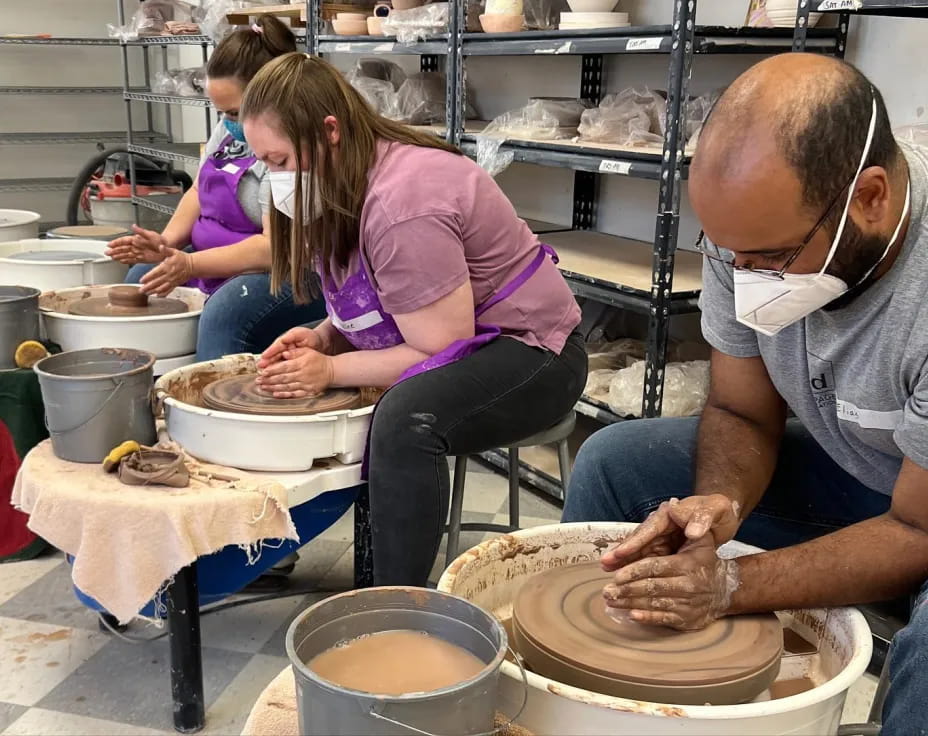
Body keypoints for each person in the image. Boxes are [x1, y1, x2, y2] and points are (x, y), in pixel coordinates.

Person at [562, 53, 927, 733]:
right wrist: (716, 506)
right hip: (861, 465)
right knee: (616, 464)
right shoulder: (752, 235)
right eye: (731, 256)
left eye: (773, 259)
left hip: (921, 510)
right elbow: (739, 410)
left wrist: (729, 585)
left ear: (872, 197)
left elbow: (916, 529)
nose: (746, 277)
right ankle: (596, 692)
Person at [239, 52, 587, 588]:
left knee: (405, 419)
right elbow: (380, 298)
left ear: (329, 131)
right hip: (462, 336)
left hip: (537, 353)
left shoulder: (405, 202)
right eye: (266, 163)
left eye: (281, 161)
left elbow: (437, 348)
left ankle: (396, 603)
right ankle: (304, 558)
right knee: (351, 397)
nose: (274, 178)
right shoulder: (344, 176)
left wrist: (329, 373)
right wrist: (325, 337)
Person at [106, 16, 324, 361]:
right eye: (222, 112)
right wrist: (167, 244)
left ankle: (208, 401)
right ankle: (147, 388)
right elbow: (197, 191)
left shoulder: (290, 151)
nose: (229, 122)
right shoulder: (229, 127)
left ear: (274, 95)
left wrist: (190, 264)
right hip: (213, 261)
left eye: (236, 112)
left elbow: (275, 250)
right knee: (142, 277)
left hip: (288, 272)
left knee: (226, 312)